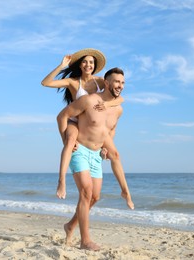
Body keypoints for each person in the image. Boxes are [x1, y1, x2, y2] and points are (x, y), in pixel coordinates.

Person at [41, 49, 134, 209]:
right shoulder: (73, 82)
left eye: (91, 62)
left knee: (115, 154)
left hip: (93, 125)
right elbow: (46, 83)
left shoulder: (100, 81)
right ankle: (61, 181)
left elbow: (121, 98)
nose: (88, 64)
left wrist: (106, 104)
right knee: (70, 141)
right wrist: (61, 66)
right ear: (80, 65)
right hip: (74, 122)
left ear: (95, 65)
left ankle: (125, 192)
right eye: (85, 61)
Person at [57, 67, 128, 251]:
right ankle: (85, 241)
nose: (120, 85)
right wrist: (66, 140)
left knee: (95, 197)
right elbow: (62, 115)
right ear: (106, 83)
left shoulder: (118, 110)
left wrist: (106, 146)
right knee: (86, 192)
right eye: (116, 81)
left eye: (122, 82)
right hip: (79, 150)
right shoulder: (88, 100)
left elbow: (110, 130)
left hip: (96, 155)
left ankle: (70, 225)